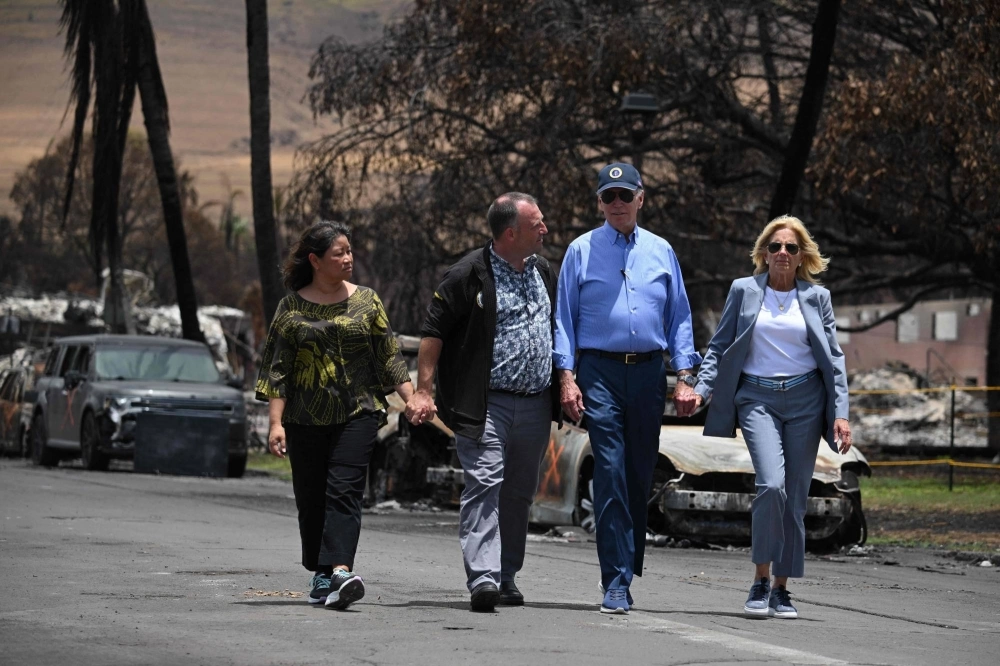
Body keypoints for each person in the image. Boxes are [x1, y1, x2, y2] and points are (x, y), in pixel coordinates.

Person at [554, 163, 702, 614]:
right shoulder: (580, 251)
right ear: (599, 203)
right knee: (611, 473)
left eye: (624, 195)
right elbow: (562, 318)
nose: (616, 203)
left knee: (638, 476)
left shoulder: (661, 251)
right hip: (598, 372)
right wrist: (566, 376)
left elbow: (679, 317)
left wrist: (686, 375)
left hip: (648, 374)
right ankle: (615, 580)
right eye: (608, 197)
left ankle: (626, 564)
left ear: (641, 197)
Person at [405, 192, 560, 612]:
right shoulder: (467, 274)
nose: (545, 229)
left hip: (534, 404)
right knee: (485, 485)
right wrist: (424, 389)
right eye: (538, 224)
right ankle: (484, 578)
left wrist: (566, 383)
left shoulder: (543, 270)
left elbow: (556, 331)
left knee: (519, 493)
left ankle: (507, 575)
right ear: (511, 232)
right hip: (484, 403)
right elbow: (433, 334)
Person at [692, 215, 852, 619]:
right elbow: (720, 344)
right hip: (757, 399)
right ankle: (760, 579)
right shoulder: (744, 291)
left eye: (791, 248)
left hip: (805, 401)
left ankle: (783, 588)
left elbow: (833, 359)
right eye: (775, 246)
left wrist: (842, 414)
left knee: (796, 499)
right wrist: (701, 388)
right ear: (764, 253)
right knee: (771, 485)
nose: (782, 253)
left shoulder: (817, 298)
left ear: (802, 257)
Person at [256, 220, 413, 611]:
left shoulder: (367, 301)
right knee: (311, 497)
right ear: (315, 260)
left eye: (349, 250)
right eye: (338, 253)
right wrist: (275, 423)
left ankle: (341, 570)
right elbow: (278, 368)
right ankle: (322, 573)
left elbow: (389, 357)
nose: (348, 258)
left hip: (356, 412)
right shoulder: (291, 307)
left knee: (344, 490)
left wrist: (413, 399)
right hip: (303, 418)